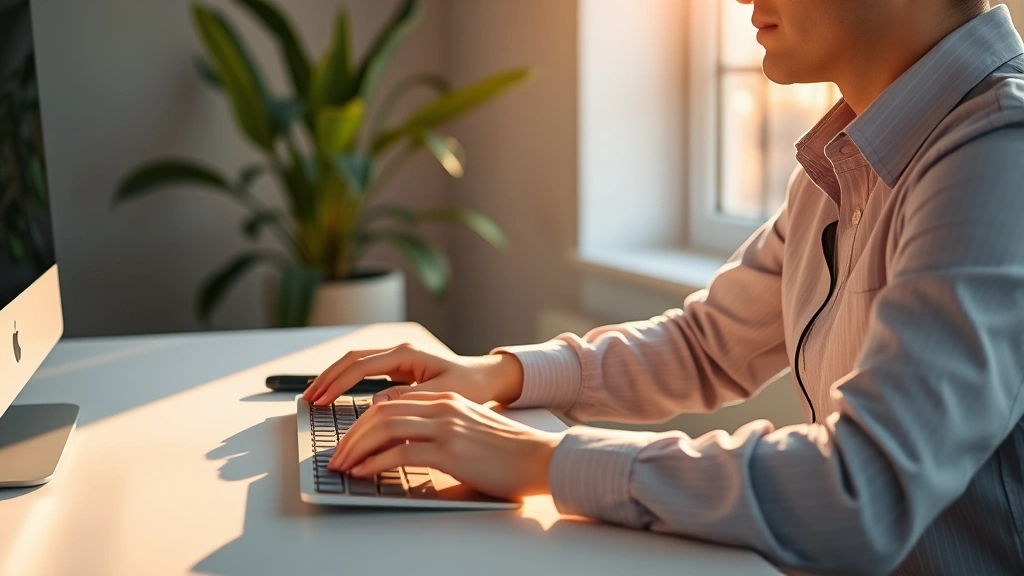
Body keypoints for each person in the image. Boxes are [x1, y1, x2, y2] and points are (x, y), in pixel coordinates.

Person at [304, 1, 1024, 574]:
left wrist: (537, 461)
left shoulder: (998, 154)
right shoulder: (854, 153)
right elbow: (706, 345)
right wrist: (498, 375)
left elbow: (862, 489)